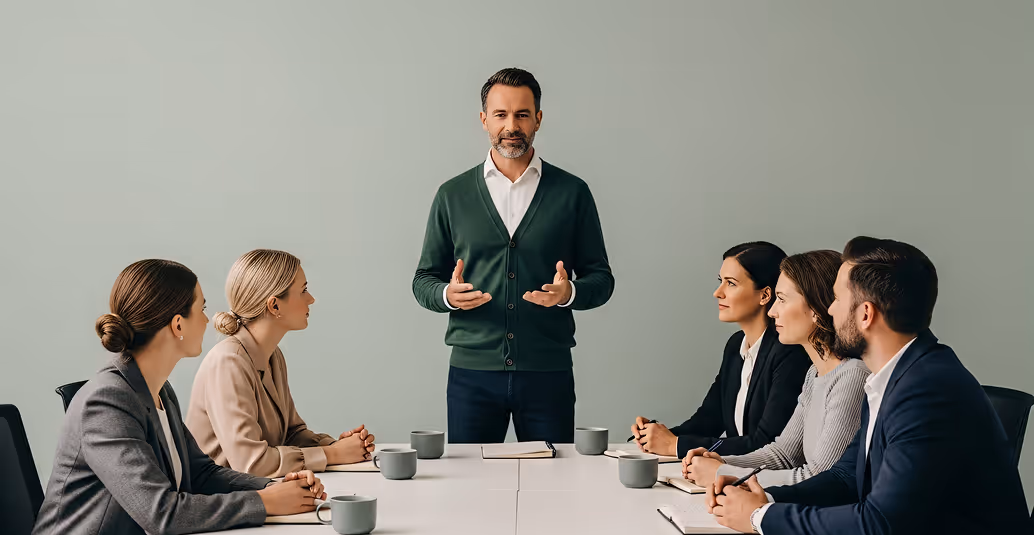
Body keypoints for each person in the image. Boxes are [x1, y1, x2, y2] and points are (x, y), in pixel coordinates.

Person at [709, 237, 1029, 535]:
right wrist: (766, 497)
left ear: (865, 314)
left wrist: (759, 517)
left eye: (836, 299)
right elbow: (847, 476)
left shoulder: (927, 390)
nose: (830, 311)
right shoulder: (892, 376)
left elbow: (880, 527)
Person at [30, 260, 326, 535]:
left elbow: (201, 474)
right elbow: (160, 514)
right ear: (178, 324)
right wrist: (265, 503)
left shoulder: (158, 389)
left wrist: (271, 487)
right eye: (202, 309)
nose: (208, 321)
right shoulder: (106, 401)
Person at [412, 68, 615, 444]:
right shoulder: (452, 195)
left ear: (538, 118)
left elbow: (601, 279)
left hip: (548, 373)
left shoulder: (572, 193)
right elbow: (424, 278)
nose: (512, 125)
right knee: (469, 489)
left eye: (522, 114)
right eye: (501, 114)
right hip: (471, 375)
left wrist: (568, 293)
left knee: (552, 485)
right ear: (483, 119)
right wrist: (446, 295)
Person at [682, 250, 868, 490]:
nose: (772, 311)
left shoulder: (852, 376)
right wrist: (720, 460)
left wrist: (723, 473)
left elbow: (819, 479)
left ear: (815, 308)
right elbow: (783, 455)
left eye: (781, 299)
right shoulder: (815, 374)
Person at [186, 249, 374, 478]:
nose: (311, 299)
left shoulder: (273, 356)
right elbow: (251, 463)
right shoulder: (229, 362)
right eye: (303, 290)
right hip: (225, 502)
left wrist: (336, 445)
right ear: (274, 306)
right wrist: (332, 454)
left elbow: (291, 435)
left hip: (258, 492)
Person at [631, 242, 811, 459]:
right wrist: (655, 435)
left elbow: (766, 443)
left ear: (764, 295)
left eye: (731, 283)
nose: (718, 293)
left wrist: (675, 445)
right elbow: (708, 421)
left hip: (763, 482)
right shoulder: (736, 345)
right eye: (720, 281)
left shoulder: (790, 353)